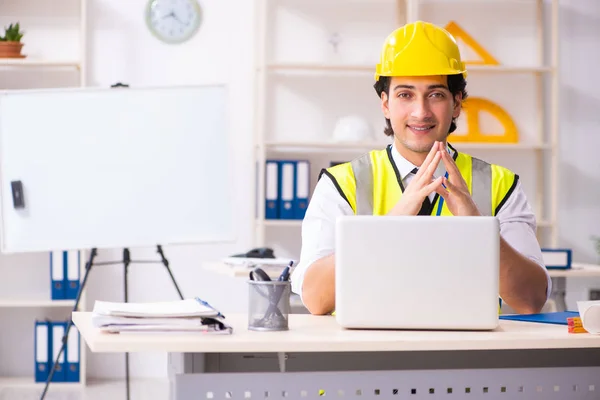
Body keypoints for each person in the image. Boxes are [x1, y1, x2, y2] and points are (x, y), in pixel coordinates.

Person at [290, 20, 551, 316]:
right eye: (405, 94)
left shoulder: (499, 184)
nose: (421, 112)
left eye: (436, 94)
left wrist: (478, 227)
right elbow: (315, 299)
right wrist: (388, 226)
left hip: (473, 355)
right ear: (385, 104)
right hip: (366, 354)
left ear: (457, 104)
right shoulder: (342, 182)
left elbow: (531, 299)